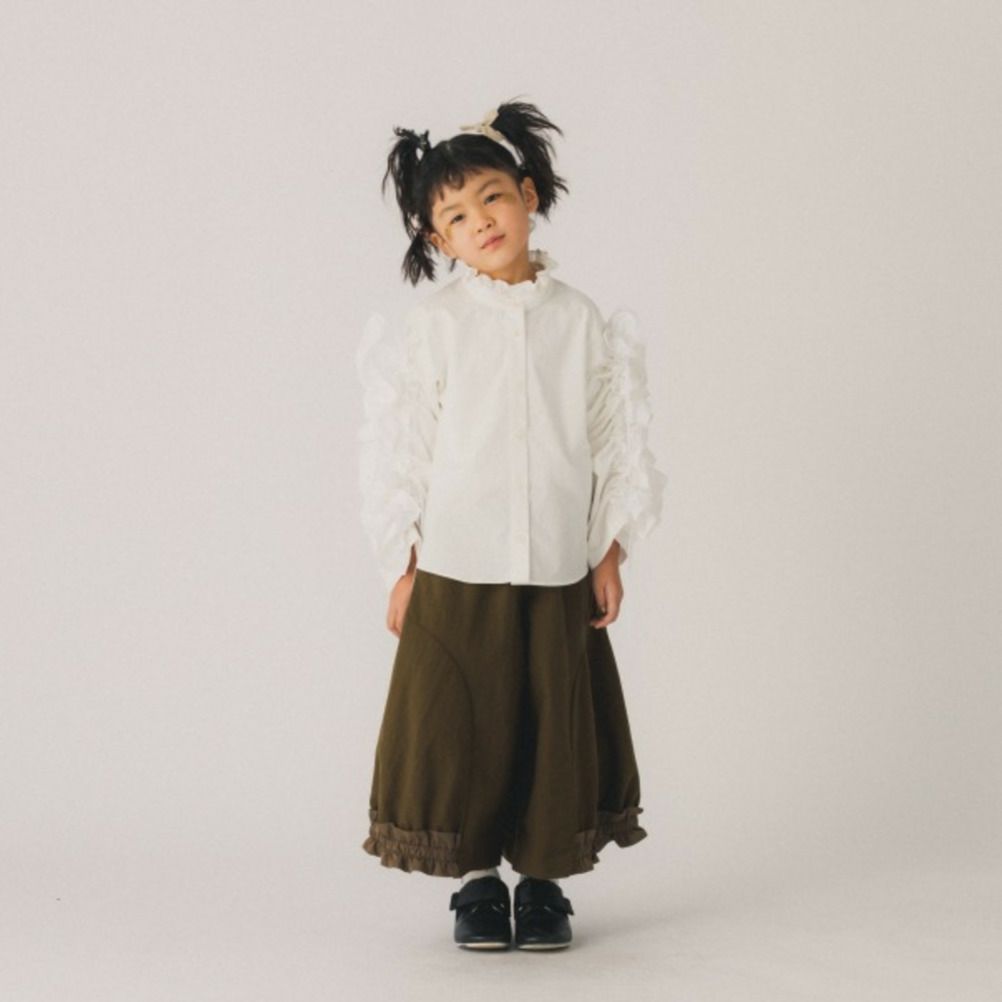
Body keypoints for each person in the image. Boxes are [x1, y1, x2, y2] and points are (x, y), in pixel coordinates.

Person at [354, 98, 667, 951]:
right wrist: (402, 561)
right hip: (458, 563)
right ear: (438, 241)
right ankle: (477, 883)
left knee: (546, 720)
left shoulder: (579, 321)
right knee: (466, 725)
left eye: (491, 197)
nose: (480, 221)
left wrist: (610, 549)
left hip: (557, 562)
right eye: (455, 216)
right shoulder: (439, 326)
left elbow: (614, 436)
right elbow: (404, 443)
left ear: (527, 195)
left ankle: (542, 882)